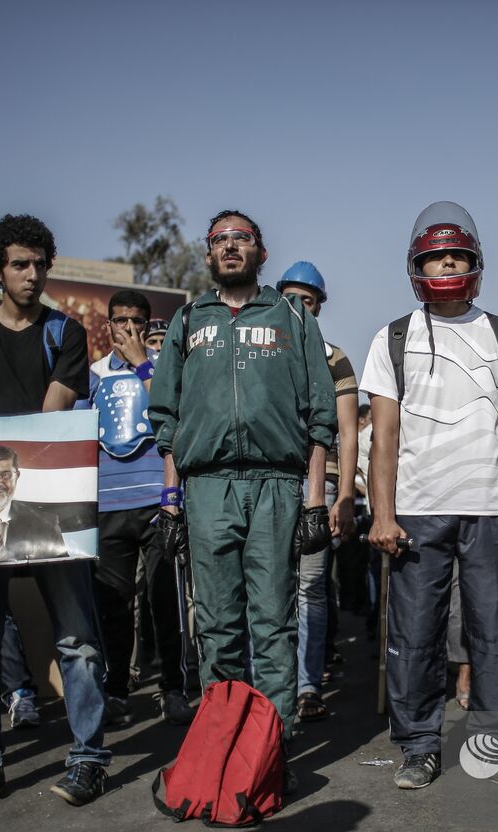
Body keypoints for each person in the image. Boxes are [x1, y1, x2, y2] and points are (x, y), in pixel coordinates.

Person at [148, 209, 336, 791]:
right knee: (218, 625)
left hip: (277, 486)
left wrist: (313, 502)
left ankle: (272, 749)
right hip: (206, 490)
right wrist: (172, 499)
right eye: (220, 240)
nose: (231, 247)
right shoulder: (187, 320)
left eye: (242, 239)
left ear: (261, 251)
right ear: (208, 255)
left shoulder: (292, 319)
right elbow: (168, 418)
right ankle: (222, 746)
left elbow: (320, 417)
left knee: (272, 621)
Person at [361, 201, 498, 790]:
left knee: (496, 633)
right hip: (415, 510)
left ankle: (496, 744)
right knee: (415, 634)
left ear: (476, 263)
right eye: (435, 259)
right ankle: (418, 745)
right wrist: (381, 513)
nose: (446, 267)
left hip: (490, 507)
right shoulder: (392, 338)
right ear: (417, 267)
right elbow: (381, 435)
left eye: (456, 256)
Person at [0, 214, 111, 813]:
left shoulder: (65, 332)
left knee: (78, 641)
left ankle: (89, 758)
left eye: (40, 264)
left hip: (49, 505)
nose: (33, 275)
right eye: (20, 264)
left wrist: (15, 466)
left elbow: (52, 421)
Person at [82, 289, 191, 727]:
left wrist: (144, 362)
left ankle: (173, 688)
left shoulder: (165, 367)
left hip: (156, 501)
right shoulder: (91, 375)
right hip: (108, 504)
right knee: (113, 604)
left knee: (165, 601)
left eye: (137, 322)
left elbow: (175, 415)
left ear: (148, 325)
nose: (128, 329)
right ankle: (115, 691)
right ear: (108, 324)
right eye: (120, 321)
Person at [276, 261, 358, 724]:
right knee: (269, 588)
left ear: (319, 307)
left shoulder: (334, 358)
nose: (297, 307)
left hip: (319, 485)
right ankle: (271, 683)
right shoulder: (264, 351)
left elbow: (348, 432)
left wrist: (342, 497)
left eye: (307, 300)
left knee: (310, 587)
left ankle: (307, 686)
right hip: (270, 484)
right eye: (290, 298)